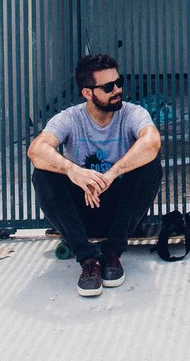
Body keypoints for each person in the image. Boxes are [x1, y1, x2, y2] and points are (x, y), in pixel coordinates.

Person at [27, 54, 162, 297]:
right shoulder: (70, 118)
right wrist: (74, 171)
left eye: (119, 82)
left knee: (150, 164)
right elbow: (36, 150)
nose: (117, 90)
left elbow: (151, 141)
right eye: (108, 87)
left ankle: (112, 253)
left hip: (120, 214)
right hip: (81, 212)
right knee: (43, 173)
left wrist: (112, 173)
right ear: (87, 93)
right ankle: (88, 259)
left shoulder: (132, 113)